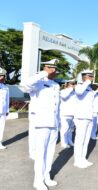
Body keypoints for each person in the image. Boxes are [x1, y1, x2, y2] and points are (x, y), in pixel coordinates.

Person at [22, 59, 60, 190]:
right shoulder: (38, 83)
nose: (54, 71)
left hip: (53, 124)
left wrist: (58, 123)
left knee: (50, 153)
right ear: (46, 68)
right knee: (40, 154)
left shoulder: (56, 85)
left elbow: (57, 106)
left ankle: (46, 176)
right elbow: (26, 84)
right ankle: (38, 181)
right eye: (51, 68)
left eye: (55, 68)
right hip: (42, 123)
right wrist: (43, 73)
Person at [73, 70, 95, 169]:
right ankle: (77, 161)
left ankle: (83, 158)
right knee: (80, 140)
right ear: (85, 77)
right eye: (90, 76)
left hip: (89, 117)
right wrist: (86, 82)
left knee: (86, 140)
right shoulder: (79, 86)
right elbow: (79, 92)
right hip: (81, 117)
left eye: (92, 76)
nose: (92, 77)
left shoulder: (89, 88)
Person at [60, 79, 76, 148]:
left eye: (74, 84)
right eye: (71, 84)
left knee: (71, 129)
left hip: (73, 113)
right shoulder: (63, 91)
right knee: (65, 128)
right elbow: (64, 97)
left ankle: (70, 140)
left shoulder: (74, 93)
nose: (73, 85)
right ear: (67, 84)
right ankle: (64, 142)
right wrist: (70, 89)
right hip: (65, 113)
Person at [0, 67, 9, 150]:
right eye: (0, 76)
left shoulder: (5, 87)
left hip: (2, 110)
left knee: (1, 127)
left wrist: (7, 110)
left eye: (3, 76)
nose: (2, 78)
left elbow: (7, 99)